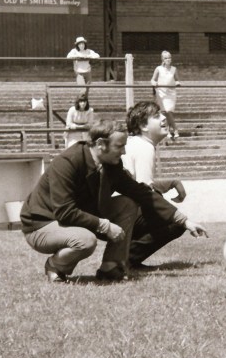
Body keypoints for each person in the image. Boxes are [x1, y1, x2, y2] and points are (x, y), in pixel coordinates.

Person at [19, 118, 207, 283]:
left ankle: (111, 266)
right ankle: (55, 266)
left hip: (74, 218)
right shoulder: (67, 162)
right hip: (42, 224)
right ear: (101, 144)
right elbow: (64, 212)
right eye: (119, 146)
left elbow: (140, 192)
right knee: (85, 240)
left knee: (127, 202)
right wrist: (104, 225)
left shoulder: (110, 164)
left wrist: (184, 220)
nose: (124, 152)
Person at [123, 99, 190, 270]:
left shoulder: (134, 143)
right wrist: (179, 217)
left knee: (160, 208)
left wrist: (172, 182)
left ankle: (122, 256)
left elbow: (136, 185)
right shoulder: (144, 147)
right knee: (174, 221)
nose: (163, 118)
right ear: (143, 126)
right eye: (156, 115)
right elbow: (144, 192)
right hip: (120, 213)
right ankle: (126, 259)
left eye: (161, 113)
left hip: (114, 210)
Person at [150, 50, 180, 140]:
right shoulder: (158, 68)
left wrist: (178, 83)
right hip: (161, 92)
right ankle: (169, 131)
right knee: (164, 112)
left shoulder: (174, 69)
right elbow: (153, 80)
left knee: (169, 111)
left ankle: (174, 129)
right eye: (166, 58)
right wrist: (154, 84)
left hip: (171, 93)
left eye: (169, 58)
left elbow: (177, 79)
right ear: (163, 59)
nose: (168, 59)